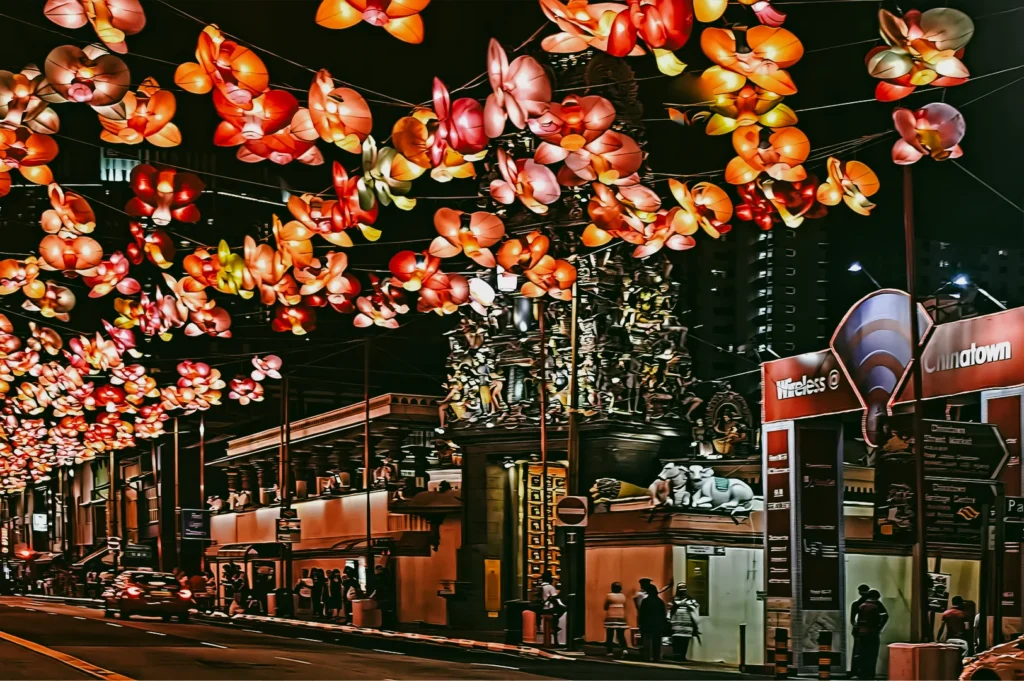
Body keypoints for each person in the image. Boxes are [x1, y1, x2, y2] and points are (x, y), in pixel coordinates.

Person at [852, 590, 889, 679]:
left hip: (862, 633)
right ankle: (870, 674)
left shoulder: (862, 606)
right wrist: (880, 628)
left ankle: (862, 674)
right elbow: (885, 616)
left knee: (863, 653)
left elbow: (856, 620)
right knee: (872, 654)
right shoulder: (877, 605)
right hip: (873, 633)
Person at [669, 584, 700, 661]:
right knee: (676, 641)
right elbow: (669, 610)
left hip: (687, 625)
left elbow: (696, 607)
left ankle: (682, 656)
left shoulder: (690, 600)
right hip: (676, 625)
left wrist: (688, 606)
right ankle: (676, 656)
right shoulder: (674, 600)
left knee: (684, 642)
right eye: (681, 589)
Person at [638, 583, 667, 662]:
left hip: (647, 624)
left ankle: (647, 657)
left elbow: (642, 614)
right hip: (658, 624)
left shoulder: (645, 601)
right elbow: (663, 614)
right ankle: (656, 657)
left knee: (647, 641)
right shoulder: (660, 602)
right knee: (657, 642)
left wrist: (640, 624)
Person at [603, 582, 629, 657]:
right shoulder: (623, 596)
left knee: (610, 634)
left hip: (611, 616)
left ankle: (609, 651)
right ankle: (624, 649)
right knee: (620, 634)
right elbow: (625, 606)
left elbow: (605, 607)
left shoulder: (609, 596)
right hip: (621, 616)